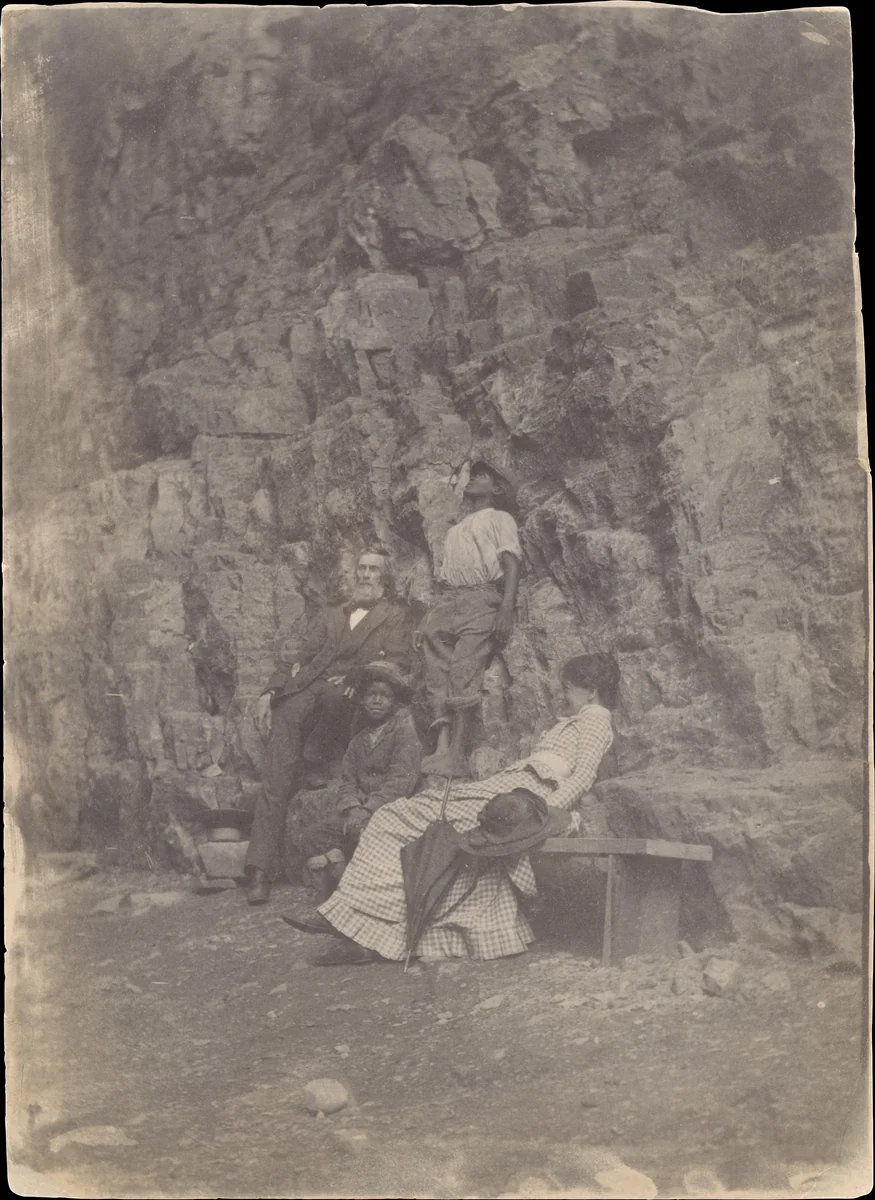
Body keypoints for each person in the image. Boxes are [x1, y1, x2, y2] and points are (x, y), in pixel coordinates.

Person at [288, 652, 620, 965]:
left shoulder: (596, 722)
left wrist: (540, 812)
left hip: (528, 795)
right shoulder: (577, 721)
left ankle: (356, 921)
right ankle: (354, 919)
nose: (564, 696)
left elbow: (583, 777)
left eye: (568, 689)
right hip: (512, 788)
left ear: (591, 692)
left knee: (401, 820)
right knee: (398, 819)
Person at [245, 548, 414, 905]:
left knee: (336, 698)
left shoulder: (394, 617)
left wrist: (361, 672)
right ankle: (258, 870)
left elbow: (397, 660)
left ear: (384, 580)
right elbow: (298, 658)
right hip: (306, 690)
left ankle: (316, 757)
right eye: (361, 569)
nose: (366, 575)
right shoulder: (331, 615)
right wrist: (270, 690)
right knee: (276, 773)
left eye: (373, 570)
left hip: (348, 696)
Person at [419, 459, 522, 778]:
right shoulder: (456, 530)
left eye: (482, 476)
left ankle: (458, 754)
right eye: (472, 475)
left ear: (498, 488)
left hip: (481, 597)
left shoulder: (501, 518)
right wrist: (429, 619)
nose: (473, 479)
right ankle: (441, 747)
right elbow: (445, 579)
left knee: (464, 670)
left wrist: (505, 607)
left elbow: (510, 563)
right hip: (449, 600)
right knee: (436, 672)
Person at [295, 662, 422, 904]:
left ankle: (349, 899)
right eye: (371, 694)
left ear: (394, 703)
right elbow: (347, 782)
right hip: (359, 815)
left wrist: (366, 811)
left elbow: (400, 782)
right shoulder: (357, 742)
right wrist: (352, 808)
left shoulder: (404, 734)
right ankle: (338, 873)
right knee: (312, 837)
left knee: (367, 839)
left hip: (392, 813)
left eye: (385, 696)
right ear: (362, 700)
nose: (377, 700)